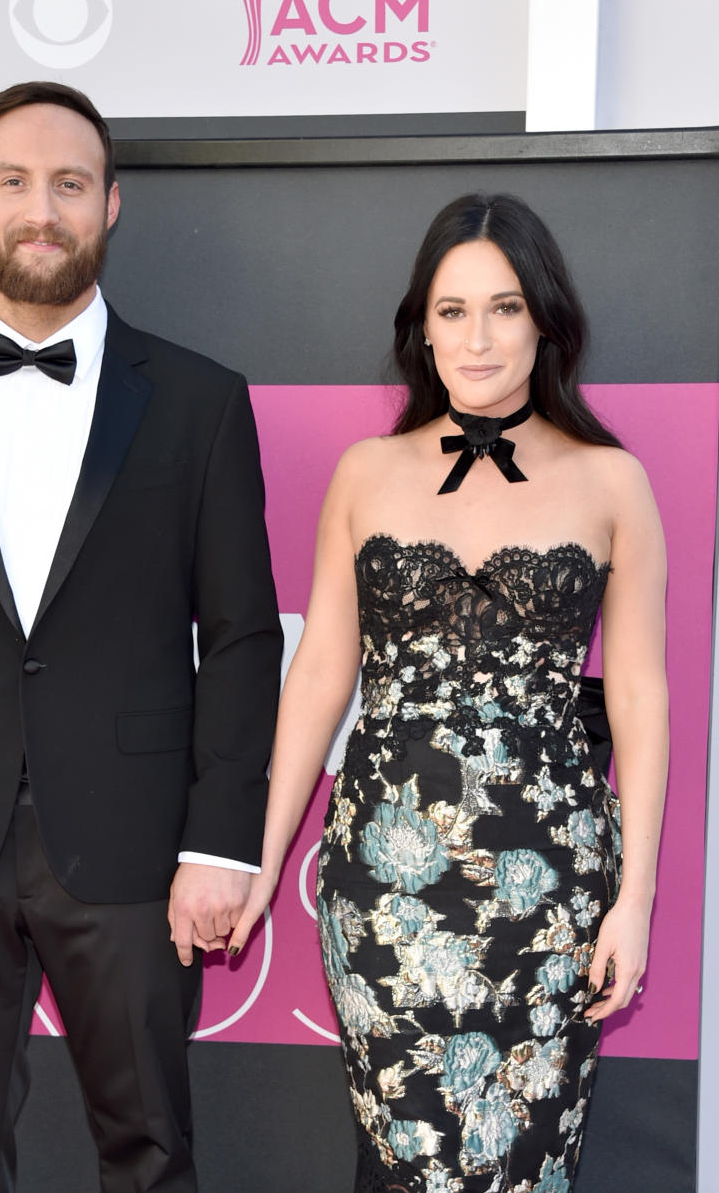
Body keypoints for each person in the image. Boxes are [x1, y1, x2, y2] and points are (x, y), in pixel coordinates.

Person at [0, 81, 282, 1193]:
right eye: (15, 181)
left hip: (132, 843)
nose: (42, 207)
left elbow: (246, 636)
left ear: (110, 205)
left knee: (152, 1151)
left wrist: (220, 844)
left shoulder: (202, 402)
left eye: (69, 183)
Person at [228, 193, 667, 1192]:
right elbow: (320, 676)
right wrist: (258, 864)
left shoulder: (612, 484)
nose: (479, 338)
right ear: (420, 326)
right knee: (403, 1165)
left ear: (545, 319)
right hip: (386, 892)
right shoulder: (367, 473)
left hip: (553, 896)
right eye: (453, 310)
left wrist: (632, 899)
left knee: (526, 1167)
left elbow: (639, 700)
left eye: (505, 308)